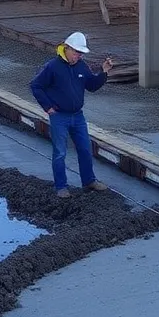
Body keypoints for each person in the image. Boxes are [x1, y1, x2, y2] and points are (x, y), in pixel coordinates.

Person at [30, 31, 114, 198]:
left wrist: (104, 73)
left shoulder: (82, 66)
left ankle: (89, 180)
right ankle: (61, 186)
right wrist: (48, 108)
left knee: (85, 148)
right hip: (59, 117)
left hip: (78, 116)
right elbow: (36, 86)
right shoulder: (53, 67)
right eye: (76, 52)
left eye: (81, 53)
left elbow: (91, 86)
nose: (78, 56)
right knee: (60, 152)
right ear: (66, 48)